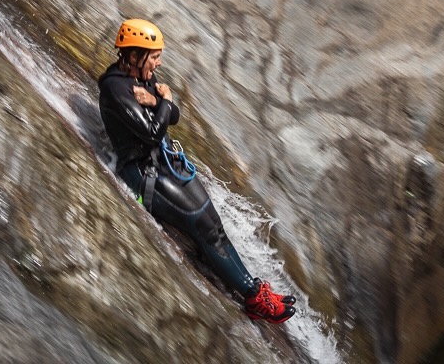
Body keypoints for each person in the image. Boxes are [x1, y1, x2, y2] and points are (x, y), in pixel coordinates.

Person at [98, 18, 296, 323]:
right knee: (202, 225)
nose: (158, 62)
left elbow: (172, 115)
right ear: (134, 56)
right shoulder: (115, 88)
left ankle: (255, 289)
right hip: (142, 172)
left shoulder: (143, 80)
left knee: (213, 224)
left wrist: (157, 100)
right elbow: (153, 131)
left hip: (163, 164)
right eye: (154, 57)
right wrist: (163, 101)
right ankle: (254, 299)